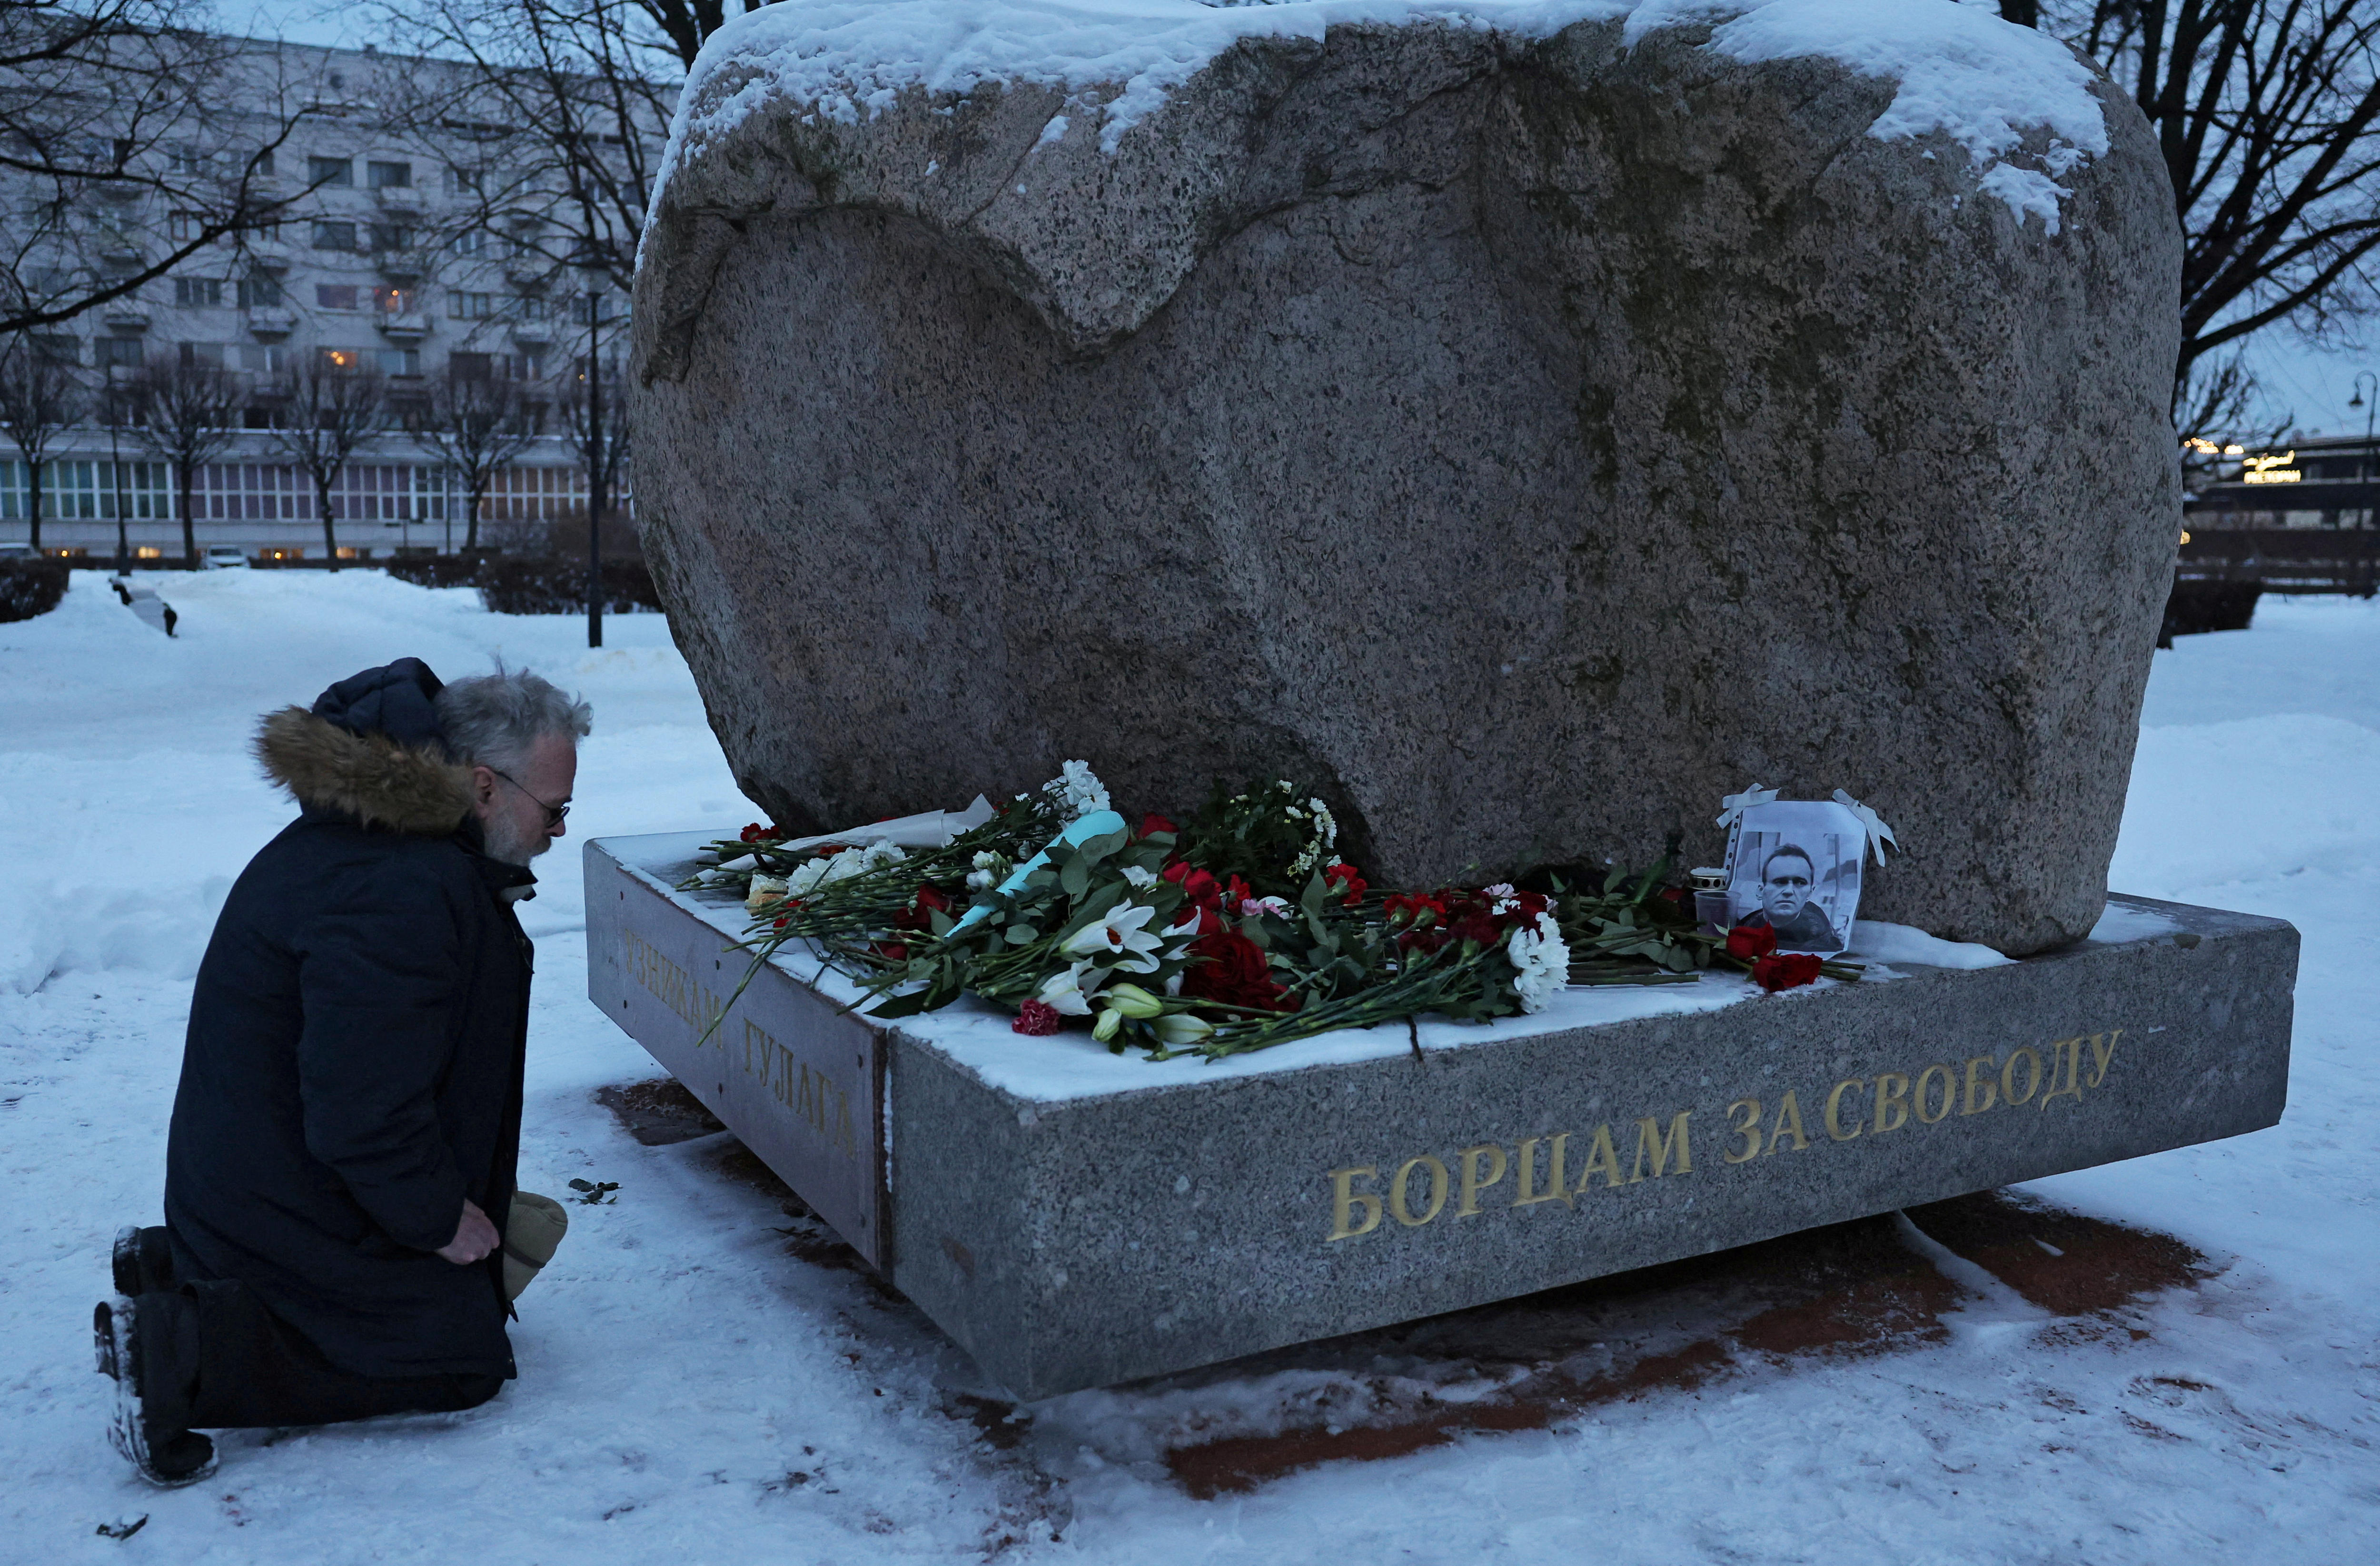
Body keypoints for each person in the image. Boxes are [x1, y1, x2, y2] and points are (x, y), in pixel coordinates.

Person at [94, 658, 589, 1486]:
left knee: (470, 1305)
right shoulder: (398, 888)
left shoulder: (387, 852)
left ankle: (178, 1269)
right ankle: (184, 1345)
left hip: (277, 1185)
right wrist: (435, 1217)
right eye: (556, 808)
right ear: (483, 787)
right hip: (294, 1197)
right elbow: (361, 1108)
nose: (561, 830)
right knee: (459, 1367)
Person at [1735, 844, 1842, 951]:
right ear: (1761, 891)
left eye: (1800, 883)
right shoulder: (1745, 929)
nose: (1789, 891)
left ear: (1809, 894)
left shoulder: (1822, 939)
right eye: (1780, 882)